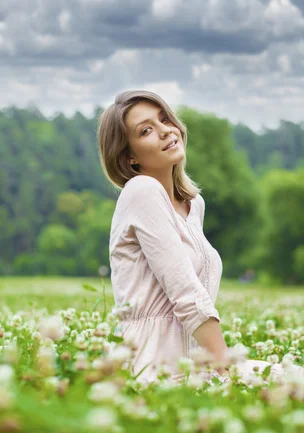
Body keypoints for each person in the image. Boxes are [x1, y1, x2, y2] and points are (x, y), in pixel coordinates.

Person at [97, 89, 304, 386]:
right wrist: (228, 367)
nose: (166, 131)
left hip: (198, 363)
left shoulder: (193, 206)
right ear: (129, 157)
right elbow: (186, 294)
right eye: (146, 130)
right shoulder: (141, 191)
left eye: (164, 118)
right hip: (156, 370)